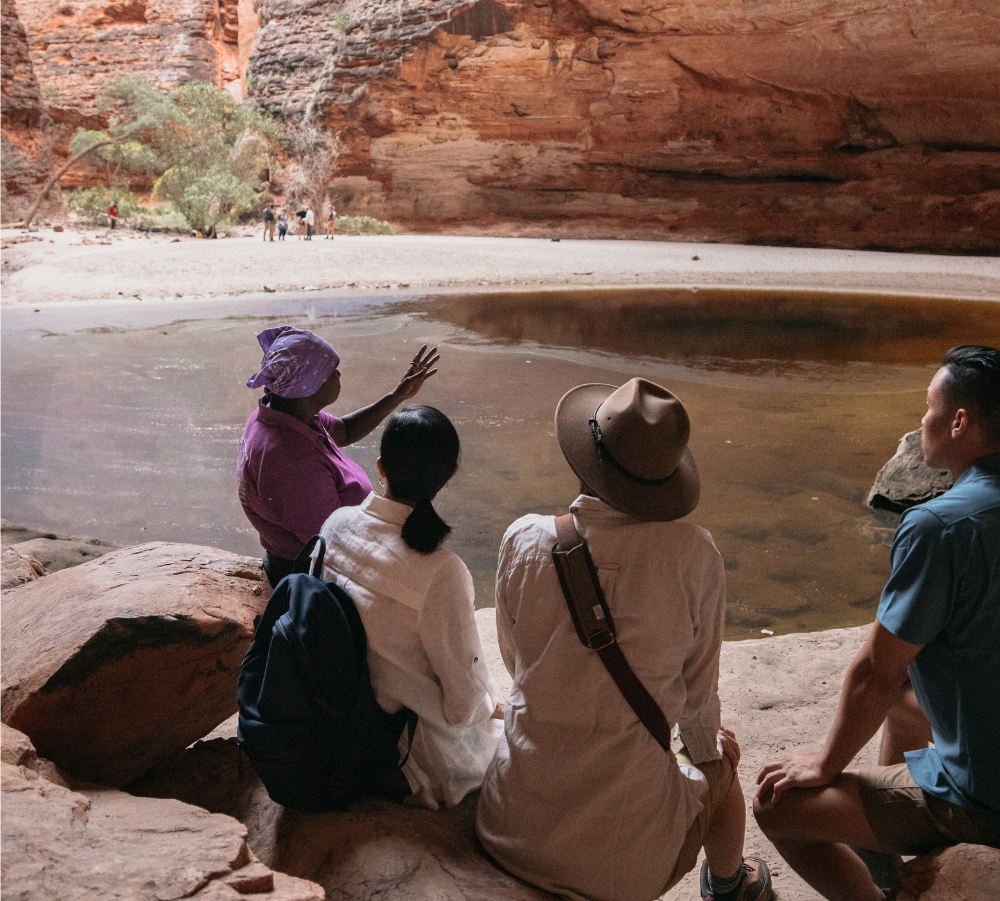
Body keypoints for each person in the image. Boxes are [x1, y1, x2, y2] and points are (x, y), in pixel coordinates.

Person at [754, 346, 1000, 901]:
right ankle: (890, 863)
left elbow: (872, 674)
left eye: (928, 407)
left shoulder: (937, 525)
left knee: (778, 804)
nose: (922, 420)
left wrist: (824, 764)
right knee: (908, 705)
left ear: (960, 421)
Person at [477, 377, 772, 901]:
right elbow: (698, 696)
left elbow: (514, 657)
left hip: (508, 830)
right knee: (721, 769)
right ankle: (730, 886)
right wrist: (707, 750)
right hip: (620, 870)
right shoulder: (695, 555)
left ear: (586, 453)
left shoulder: (523, 538)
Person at [319, 406, 503, 808]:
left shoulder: (335, 523)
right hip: (399, 751)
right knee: (510, 749)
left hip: (329, 713)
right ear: (451, 475)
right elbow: (461, 705)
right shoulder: (441, 571)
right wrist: (490, 706)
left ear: (381, 467)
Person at [236, 325, 439, 586]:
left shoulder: (286, 413)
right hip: (313, 575)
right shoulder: (290, 461)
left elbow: (344, 431)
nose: (339, 374)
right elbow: (333, 544)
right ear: (308, 389)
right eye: (331, 372)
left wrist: (397, 395)